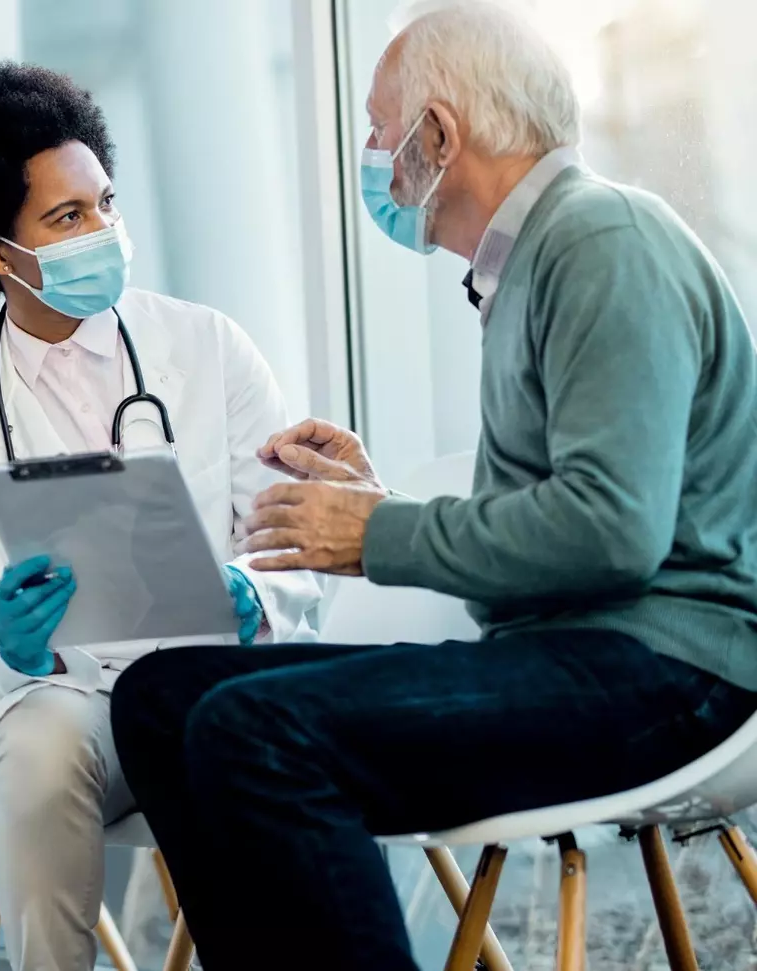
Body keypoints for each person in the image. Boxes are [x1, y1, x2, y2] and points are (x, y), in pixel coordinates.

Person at [108, 4, 757, 969]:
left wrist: (377, 533)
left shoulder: (602, 239)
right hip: (573, 654)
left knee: (256, 728)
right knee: (160, 696)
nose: (371, 152)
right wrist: (374, 501)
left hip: (671, 673)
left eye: (378, 126)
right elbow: (539, 545)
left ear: (441, 134)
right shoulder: (527, 270)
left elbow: (615, 531)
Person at [0, 62, 321, 971]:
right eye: (68, 218)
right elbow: (9, 638)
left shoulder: (207, 346)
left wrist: (254, 592)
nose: (103, 230)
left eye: (105, 203)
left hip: (231, 679)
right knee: (33, 739)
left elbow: (298, 540)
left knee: (235, 746)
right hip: (95, 706)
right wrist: (12, 642)